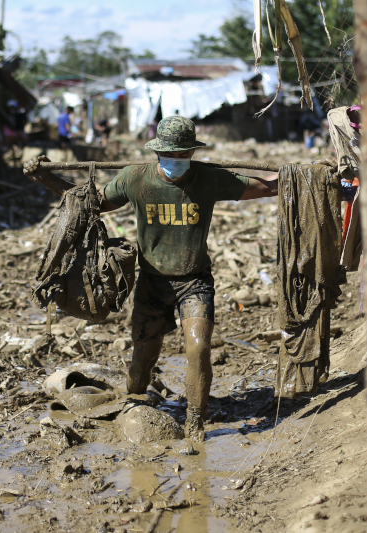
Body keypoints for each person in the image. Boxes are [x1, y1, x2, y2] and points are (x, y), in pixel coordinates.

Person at [99, 116, 278, 441]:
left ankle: (195, 425)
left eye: (183, 155)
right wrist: (46, 180)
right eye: (170, 155)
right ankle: (134, 401)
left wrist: (303, 175)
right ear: (157, 153)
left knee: (198, 349)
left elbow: (264, 187)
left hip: (195, 282)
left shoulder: (210, 179)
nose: (176, 162)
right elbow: (91, 203)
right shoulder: (134, 179)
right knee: (143, 358)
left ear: (192, 153)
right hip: (152, 283)